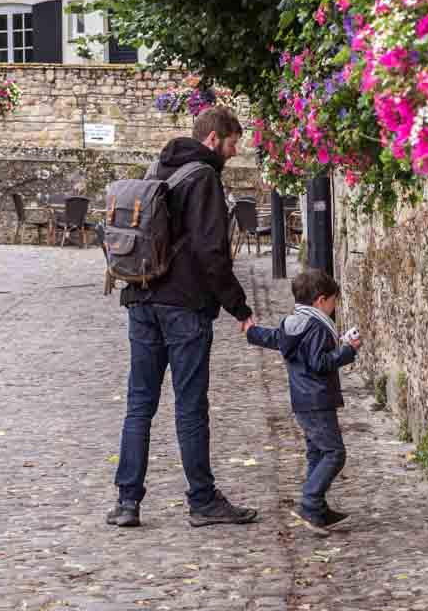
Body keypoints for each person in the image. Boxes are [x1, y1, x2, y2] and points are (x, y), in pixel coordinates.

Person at [108, 106, 259, 529]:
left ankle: (127, 502)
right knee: (190, 406)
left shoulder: (157, 167)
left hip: (140, 297)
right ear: (213, 139)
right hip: (184, 307)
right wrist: (239, 308)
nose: (234, 152)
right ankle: (202, 500)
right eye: (232, 144)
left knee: (140, 404)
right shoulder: (204, 178)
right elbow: (213, 253)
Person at [244, 268, 362, 533]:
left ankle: (317, 511)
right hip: (318, 399)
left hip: (302, 401)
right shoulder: (318, 326)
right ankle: (309, 502)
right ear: (321, 300)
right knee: (334, 453)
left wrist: (252, 332)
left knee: (317, 452)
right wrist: (346, 351)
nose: (334, 307)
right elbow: (319, 363)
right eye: (333, 302)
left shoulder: (292, 323)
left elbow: (274, 338)